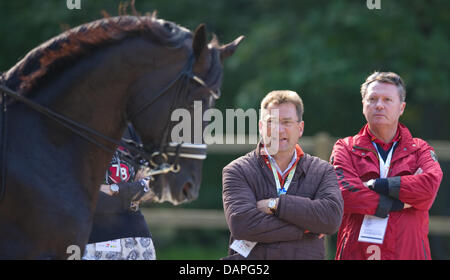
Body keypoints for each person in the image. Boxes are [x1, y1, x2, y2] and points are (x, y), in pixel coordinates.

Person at [330, 71, 443, 260]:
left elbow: (429, 187)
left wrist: (378, 185)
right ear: (363, 106)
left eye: (387, 99)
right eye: (372, 99)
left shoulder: (420, 149)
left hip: (407, 251)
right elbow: (344, 194)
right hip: (357, 252)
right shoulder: (345, 148)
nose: (379, 105)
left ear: (401, 107)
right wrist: (400, 201)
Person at [222, 90, 343, 260]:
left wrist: (276, 205)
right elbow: (242, 224)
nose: (279, 130)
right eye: (271, 122)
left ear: (300, 128)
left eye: (286, 122)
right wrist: (307, 229)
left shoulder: (323, 171)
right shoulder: (237, 170)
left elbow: (331, 219)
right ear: (261, 127)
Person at [83, 124, 156, 260]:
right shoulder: (73, 125)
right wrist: (132, 192)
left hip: (138, 241)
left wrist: (114, 189)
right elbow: (81, 196)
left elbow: (152, 187)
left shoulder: (130, 130)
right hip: (90, 243)